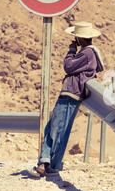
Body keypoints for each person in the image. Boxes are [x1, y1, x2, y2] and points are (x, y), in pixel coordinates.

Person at [28, 22, 104, 178]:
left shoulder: (86, 53)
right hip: (73, 94)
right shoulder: (88, 53)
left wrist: (71, 51)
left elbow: (68, 66)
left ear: (80, 38)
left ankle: (43, 164)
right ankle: (52, 166)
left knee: (53, 129)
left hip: (70, 94)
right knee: (59, 131)